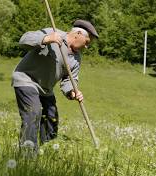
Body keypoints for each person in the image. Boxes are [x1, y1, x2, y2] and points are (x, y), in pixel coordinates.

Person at [12, 20, 99, 149]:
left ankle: (48, 150)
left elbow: (70, 79)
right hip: (27, 79)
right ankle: (27, 154)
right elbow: (24, 39)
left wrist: (72, 92)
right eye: (87, 42)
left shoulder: (76, 58)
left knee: (51, 118)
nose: (86, 47)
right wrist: (45, 39)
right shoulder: (53, 33)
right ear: (78, 34)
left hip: (46, 89)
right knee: (33, 113)